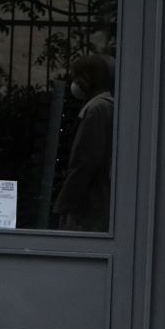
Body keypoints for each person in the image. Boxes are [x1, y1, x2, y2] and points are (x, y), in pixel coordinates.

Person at [54, 52, 115, 231]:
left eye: (77, 77)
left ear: (87, 78)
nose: (75, 83)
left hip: (90, 205)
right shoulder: (105, 106)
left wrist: (65, 205)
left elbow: (84, 162)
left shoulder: (97, 109)